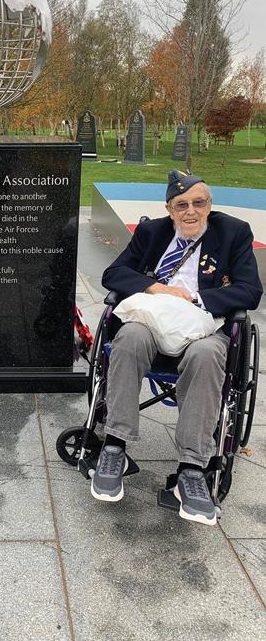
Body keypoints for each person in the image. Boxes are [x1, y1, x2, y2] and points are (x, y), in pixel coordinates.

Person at [91, 169, 263, 525]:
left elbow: (250, 291)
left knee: (207, 354)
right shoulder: (152, 233)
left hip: (205, 328)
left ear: (209, 205)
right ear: (169, 209)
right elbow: (113, 274)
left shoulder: (233, 232)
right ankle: (115, 446)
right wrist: (158, 289)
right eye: (181, 205)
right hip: (152, 324)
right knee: (129, 337)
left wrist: (196, 298)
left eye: (198, 203)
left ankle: (191, 468)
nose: (191, 211)